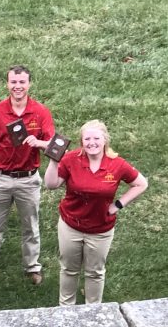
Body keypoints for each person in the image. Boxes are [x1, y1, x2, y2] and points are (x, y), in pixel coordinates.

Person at [44, 120, 148, 305]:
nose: (92, 142)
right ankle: (66, 310)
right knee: (69, 269)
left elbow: (141, 184)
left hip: (101, 229)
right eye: (87, 138)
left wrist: (118, 204)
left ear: (105, 140)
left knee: (95, 272)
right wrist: (53, 161)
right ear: (81, 141)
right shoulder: (71, 159)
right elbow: (51, 185)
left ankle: (94, 312)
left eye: (96, 138)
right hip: (70, 226)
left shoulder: (117, 164)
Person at [0, 65, 54, 285]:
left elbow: (54, 145)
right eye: (13, 82)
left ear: (29, 84)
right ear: (7, 83)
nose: (17, 86)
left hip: (28, 179)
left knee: (31, 226)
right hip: (1, 178)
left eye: (22, 82)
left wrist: (39, 142)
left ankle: (32, 267)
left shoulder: (40, 112)